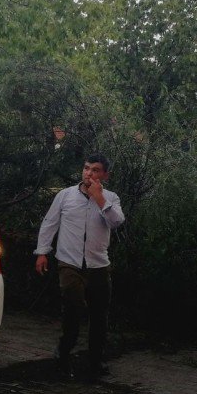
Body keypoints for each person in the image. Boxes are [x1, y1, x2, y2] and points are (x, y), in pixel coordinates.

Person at [34, 155, 125, 378]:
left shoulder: (111, 198)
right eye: (86, 168)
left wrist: (99, 198)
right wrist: (42, 252)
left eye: (95, 170)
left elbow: (117, 222)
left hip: (98, 265)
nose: (89, 173)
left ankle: (95, 360)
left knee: (99, 316)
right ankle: (63, 354)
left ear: (104, 175)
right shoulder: (65, 196)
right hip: (69, 263)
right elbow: (50, 223)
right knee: (73, 309)